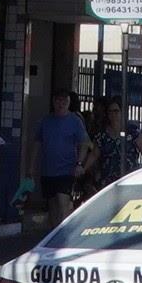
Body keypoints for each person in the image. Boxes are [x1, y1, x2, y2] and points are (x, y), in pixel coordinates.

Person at [33, 90, 91, 233]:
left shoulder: (75, 121)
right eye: (59, 101)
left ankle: (63, 234)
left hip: (66, 169)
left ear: (69, 103)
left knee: (62, 201)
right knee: (52, 204)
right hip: (48, 169)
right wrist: (30, 166)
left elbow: (83, 143)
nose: (61, 104)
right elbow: (37, 144)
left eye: (65, 101)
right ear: (53, 101)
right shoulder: (46, 121)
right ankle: (54, 233)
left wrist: (79, 164)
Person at [91, 99, 142, 190]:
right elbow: (94, 154)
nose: (113, 115)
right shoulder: (102, 134)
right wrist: (82, 168)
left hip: (129, 178)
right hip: (108, 181)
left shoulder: (133, 131)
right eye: (110, 112)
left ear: (122, 112)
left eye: (116, 111)